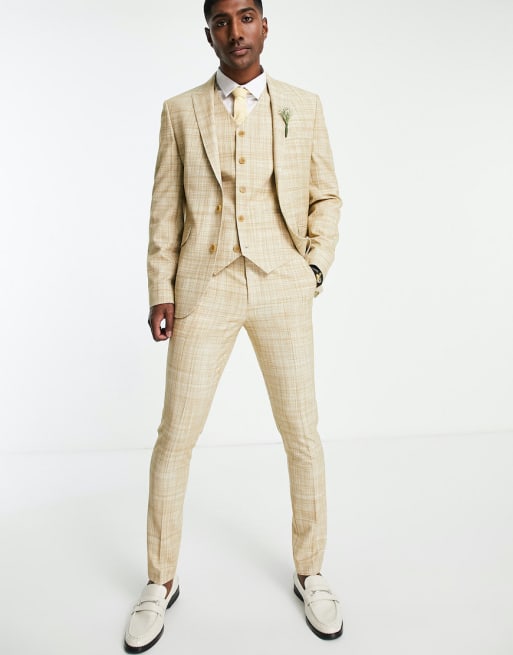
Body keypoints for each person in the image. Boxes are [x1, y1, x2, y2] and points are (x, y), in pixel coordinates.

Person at [124, 0, 343, 650]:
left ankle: (311, 571)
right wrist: (160, 289)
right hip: (204, 285)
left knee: (301, 433)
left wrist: (313, 269)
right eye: (221, 21)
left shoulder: (303, 105)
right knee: (175, 436)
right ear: (209, 34)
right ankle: (160, 580)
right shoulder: (180, 111)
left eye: (246, 17)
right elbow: (164, 209)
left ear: (264, 26)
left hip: (281, 284)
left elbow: (326, 195)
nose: (235, 31)